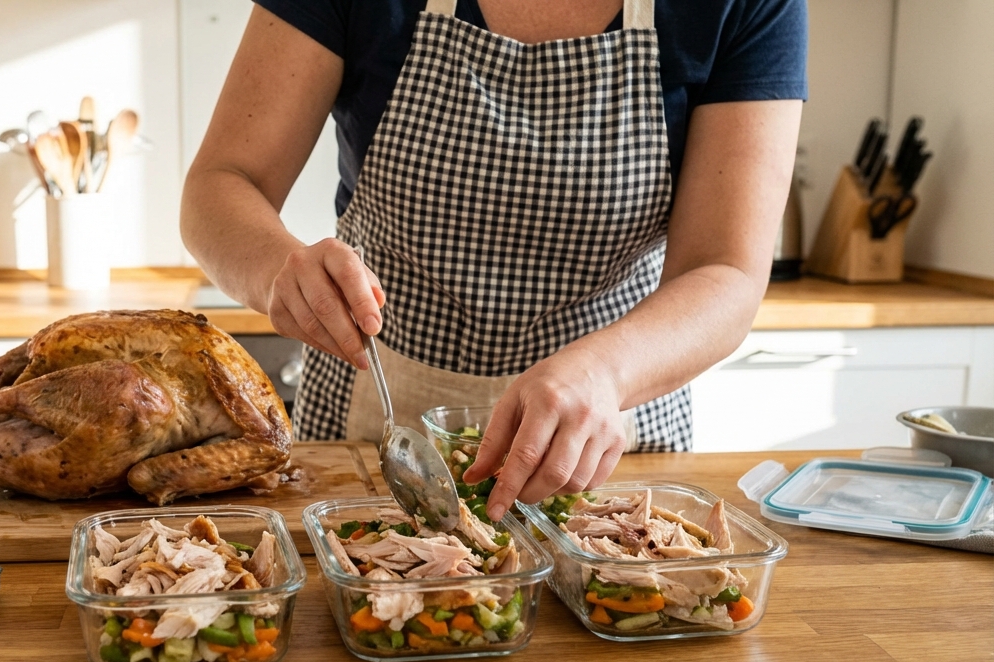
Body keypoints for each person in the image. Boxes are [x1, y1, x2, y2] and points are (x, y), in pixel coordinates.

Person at [180, 0, 806, 521]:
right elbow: (223, 182)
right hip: (373, 433)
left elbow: (726, 271)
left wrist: (606, 373)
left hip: (603, 442)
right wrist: (277, 269)